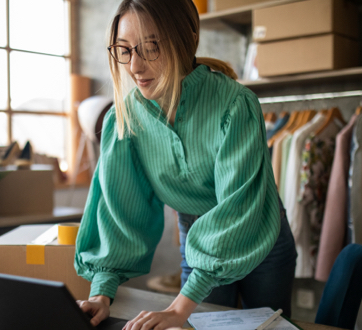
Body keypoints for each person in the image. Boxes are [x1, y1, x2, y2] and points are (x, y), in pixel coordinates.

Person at [74, 0, 297, 329]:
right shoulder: (124, 119)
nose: (134, 66)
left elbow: (239, 206)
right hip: (197, 239)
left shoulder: (236, 104)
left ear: (187, 38)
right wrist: (100, 294)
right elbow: (117, 213)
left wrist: (179, 309)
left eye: (150, 47)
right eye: (124, 50)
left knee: (271, 325)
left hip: (263, 235)